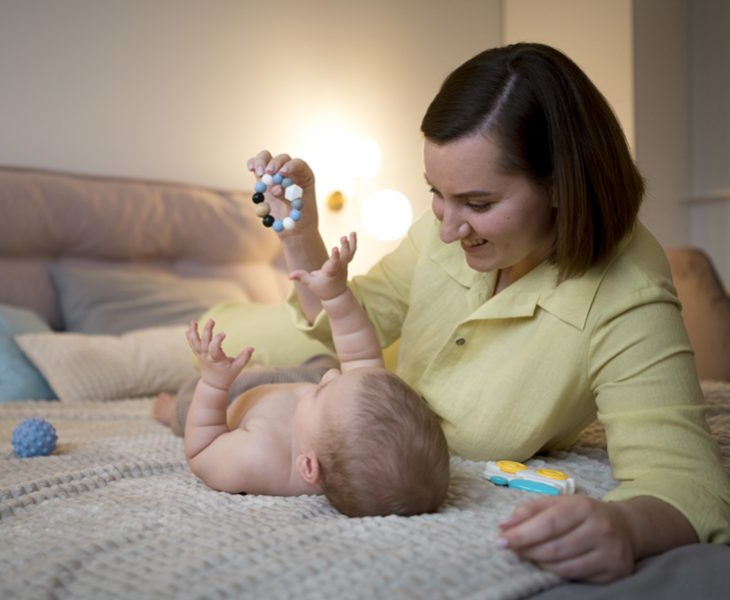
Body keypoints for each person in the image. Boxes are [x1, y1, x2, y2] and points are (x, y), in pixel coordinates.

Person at [246, 42, 730, 583]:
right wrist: (301, 234)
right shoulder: (443, 228)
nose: (447, 229)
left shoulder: (625, 288)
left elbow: (688, 483)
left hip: (334, 392)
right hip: (328, 379)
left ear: (561, 186)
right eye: (437, 193)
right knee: (216, 352)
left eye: (478, 205)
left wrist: (625, 527)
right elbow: (345, 322)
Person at [153, 233, 450, 517]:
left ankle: (170, 411)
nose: (334, 374)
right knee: (325, 362)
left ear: (308, 466)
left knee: (190, 405)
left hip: (234, 396)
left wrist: (214, 382)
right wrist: (335, 295)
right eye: (340, 379)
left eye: (323, 391)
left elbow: (203, 450)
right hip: (301, 377)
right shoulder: (342, 410)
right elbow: (357, 351)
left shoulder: (258, 458)